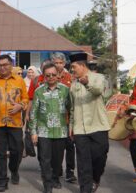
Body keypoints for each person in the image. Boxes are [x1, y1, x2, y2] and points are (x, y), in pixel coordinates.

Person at [0, 54, 28, 192]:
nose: (2, 68)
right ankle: (2, 180)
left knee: (17, 150)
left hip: (15, 123)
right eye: (0, 65)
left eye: (5, 65)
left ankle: (14, 169)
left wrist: (20, 105)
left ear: (11, 65)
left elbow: (26, 99)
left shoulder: (19, 80)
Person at [69, 53, 110, 193]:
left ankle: (96, 178)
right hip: (80, 129)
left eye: (74, 67)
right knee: (83, 162)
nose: (72, 70)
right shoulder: (73, 85)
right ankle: (85, 189)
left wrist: (87, 84)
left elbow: (98, 91)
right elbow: (73, 107)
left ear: (82, 65)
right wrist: (71, 126)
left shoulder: (99, 78)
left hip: (98, 125)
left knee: (100, 156)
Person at [29, 63, 71, 193]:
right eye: (48, 75)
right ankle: (47, 184)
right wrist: (33, 132)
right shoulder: (39, 91)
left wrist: (72, 127)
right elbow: (33, 113)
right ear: (44, 77)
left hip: (61, 131)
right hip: (43, 131)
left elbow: (71, 109)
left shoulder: (65, 90)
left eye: (54, 74)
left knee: (57, 160)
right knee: (44, 159)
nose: (51, 77)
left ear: (58, 75)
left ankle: (55, 177)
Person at [51, 52, 76, 183]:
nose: (58, 65)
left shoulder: (70, 77)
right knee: (56, 147)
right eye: (56, 62)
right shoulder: (49, 77)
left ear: (64, 64)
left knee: (70, 145)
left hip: (68, 118)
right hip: (53, 118)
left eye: (61, 62)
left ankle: (70, 172)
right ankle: (57, 169)